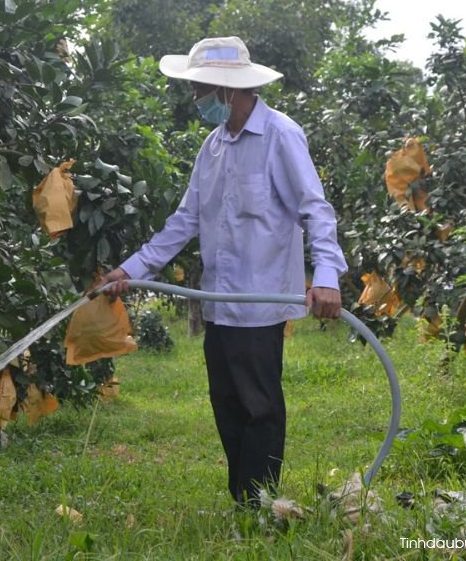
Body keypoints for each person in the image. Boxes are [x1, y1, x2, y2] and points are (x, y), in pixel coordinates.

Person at [96, 36, 348, 506]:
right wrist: (130, 269)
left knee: (260, 407)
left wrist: (328, 275)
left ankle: (260, 502)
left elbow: (316, 209)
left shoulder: (280, 135)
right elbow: (185, 221)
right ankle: (245, 501)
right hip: (219, 302)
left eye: (199, 89)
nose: (195, 98)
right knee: (227, 405)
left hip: (261, 302)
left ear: (228, 88)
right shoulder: (212, 148)